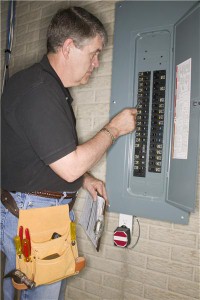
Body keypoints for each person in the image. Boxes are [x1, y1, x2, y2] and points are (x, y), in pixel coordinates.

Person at [1, 6, 137, 300]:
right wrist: (113, 129)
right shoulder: (39, 90)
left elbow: (50, 155)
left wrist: (85, 178)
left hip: (36, 212)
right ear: (68, 47)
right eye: (94, 53)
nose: (97, 63)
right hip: (35, 215)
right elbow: (69, 166)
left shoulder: (44, 87)